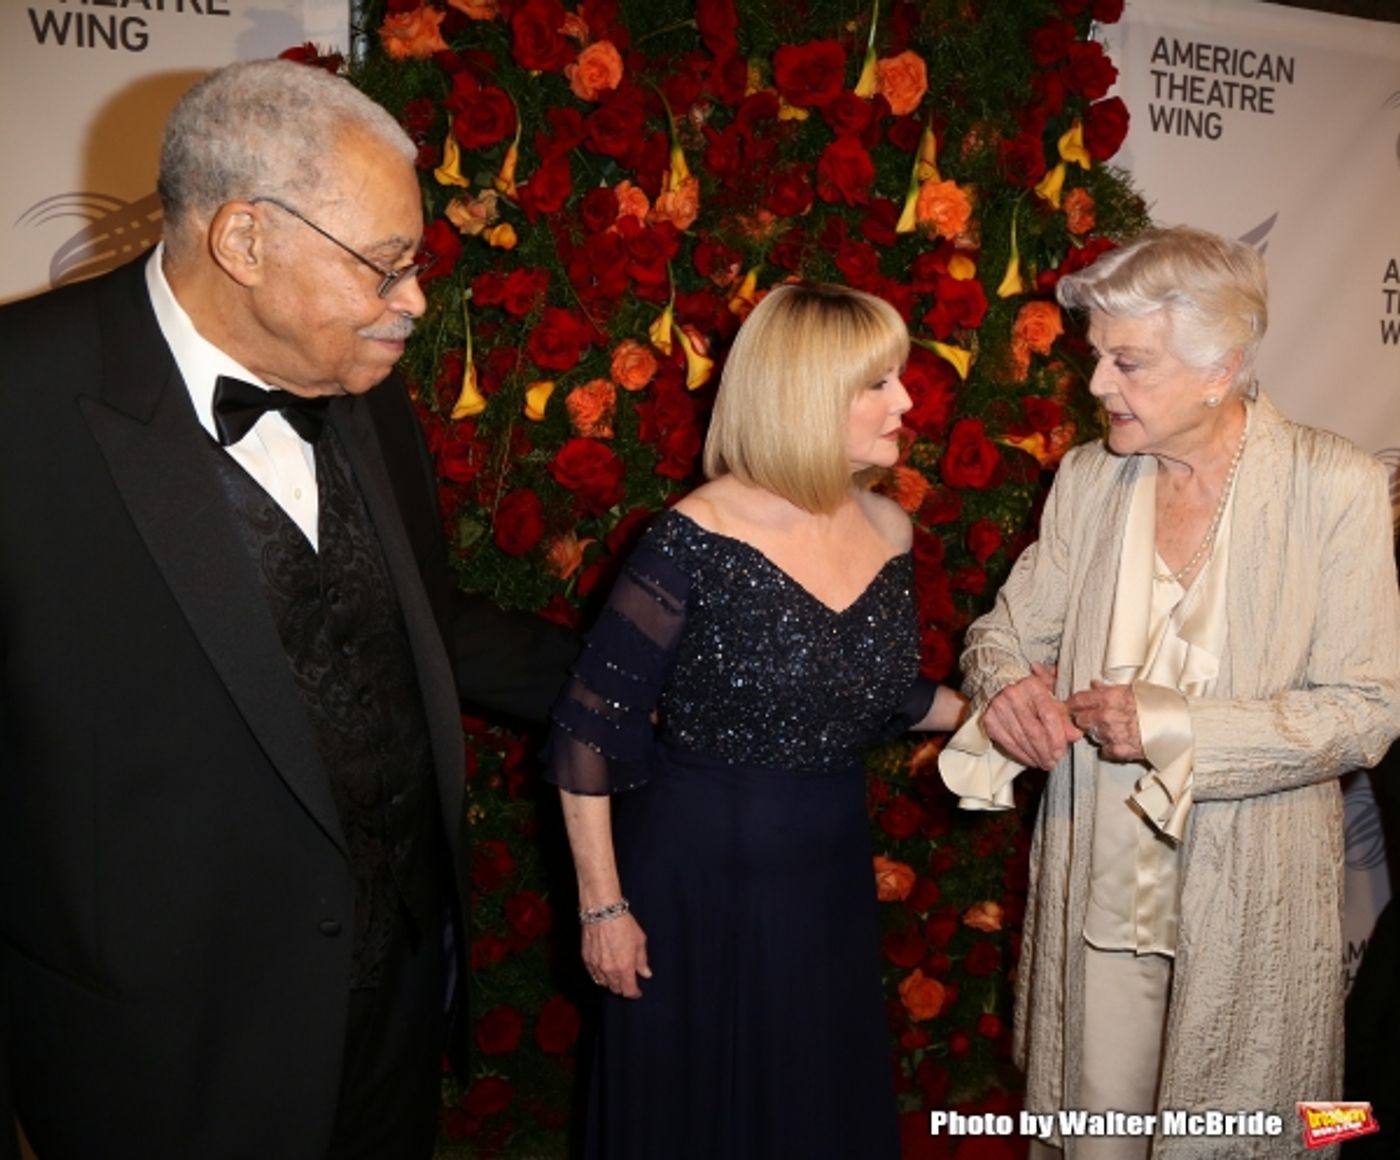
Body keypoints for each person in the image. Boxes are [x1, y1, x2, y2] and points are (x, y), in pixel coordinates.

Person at [0, 60, 576, 1160]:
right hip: (159, 1064)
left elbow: (413, 623)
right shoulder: (17, 406)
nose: (413, 301)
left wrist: (632, 684)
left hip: (391, 1020)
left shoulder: (357, 378)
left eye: (415, 263)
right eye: (384, 265)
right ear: (244, 240)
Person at [939, 226, 1400, 1158]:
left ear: (1219, 368)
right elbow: (1001, 633)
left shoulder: (1334, 487)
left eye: (1128, 362)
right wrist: (1005, 688)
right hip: (1097, 899)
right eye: (1097, 356)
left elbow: (1366, 710)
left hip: (1250, 912)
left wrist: (1176, 726)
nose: (1097, 384)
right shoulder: (1089, 478)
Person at [545, 283, 966, 1159]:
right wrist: (603, 908)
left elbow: (886, 694)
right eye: (879, 383)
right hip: (699, 877)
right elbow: (590, 729)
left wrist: (1006, 718)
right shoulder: (694, 533)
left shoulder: (889, 528)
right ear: (807, 395)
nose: (907, 401)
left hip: (826, 875)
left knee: (812, 1106)